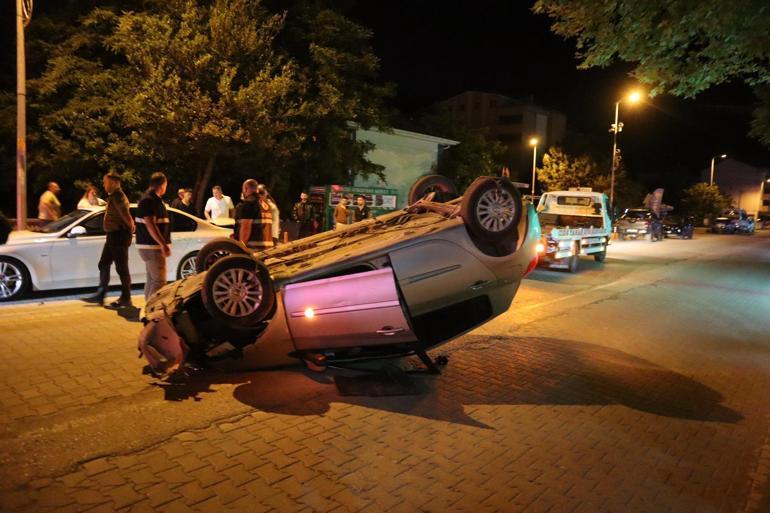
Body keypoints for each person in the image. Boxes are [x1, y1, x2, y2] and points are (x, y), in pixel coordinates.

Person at [84, 173, 135, 307]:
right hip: (113, 236)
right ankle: (101, 294)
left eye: (105, 182)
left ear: (113, 183)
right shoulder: (114, 196)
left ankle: (126, 297)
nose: (104, 185)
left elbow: (126, 216)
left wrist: (130, 231)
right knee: (104, 264)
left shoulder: (118, 197)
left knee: (122, 268)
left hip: (119, 235)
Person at [135, 172, 171, 300]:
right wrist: (163, 244)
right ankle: (152, 313)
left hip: (150, 247)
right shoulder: (149, 200)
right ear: (162, 185)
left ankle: (147, 310)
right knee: (159, 282)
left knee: (152, 280)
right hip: (152, 247)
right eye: (166, 185)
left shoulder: (150, 199)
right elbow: (150, 223)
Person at [234, 179, 273, 249]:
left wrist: (240, 248)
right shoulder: (265, 204)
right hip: (266, 248)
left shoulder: (249, 204)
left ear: (246, 188)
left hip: (253, 249)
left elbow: (245, 228)